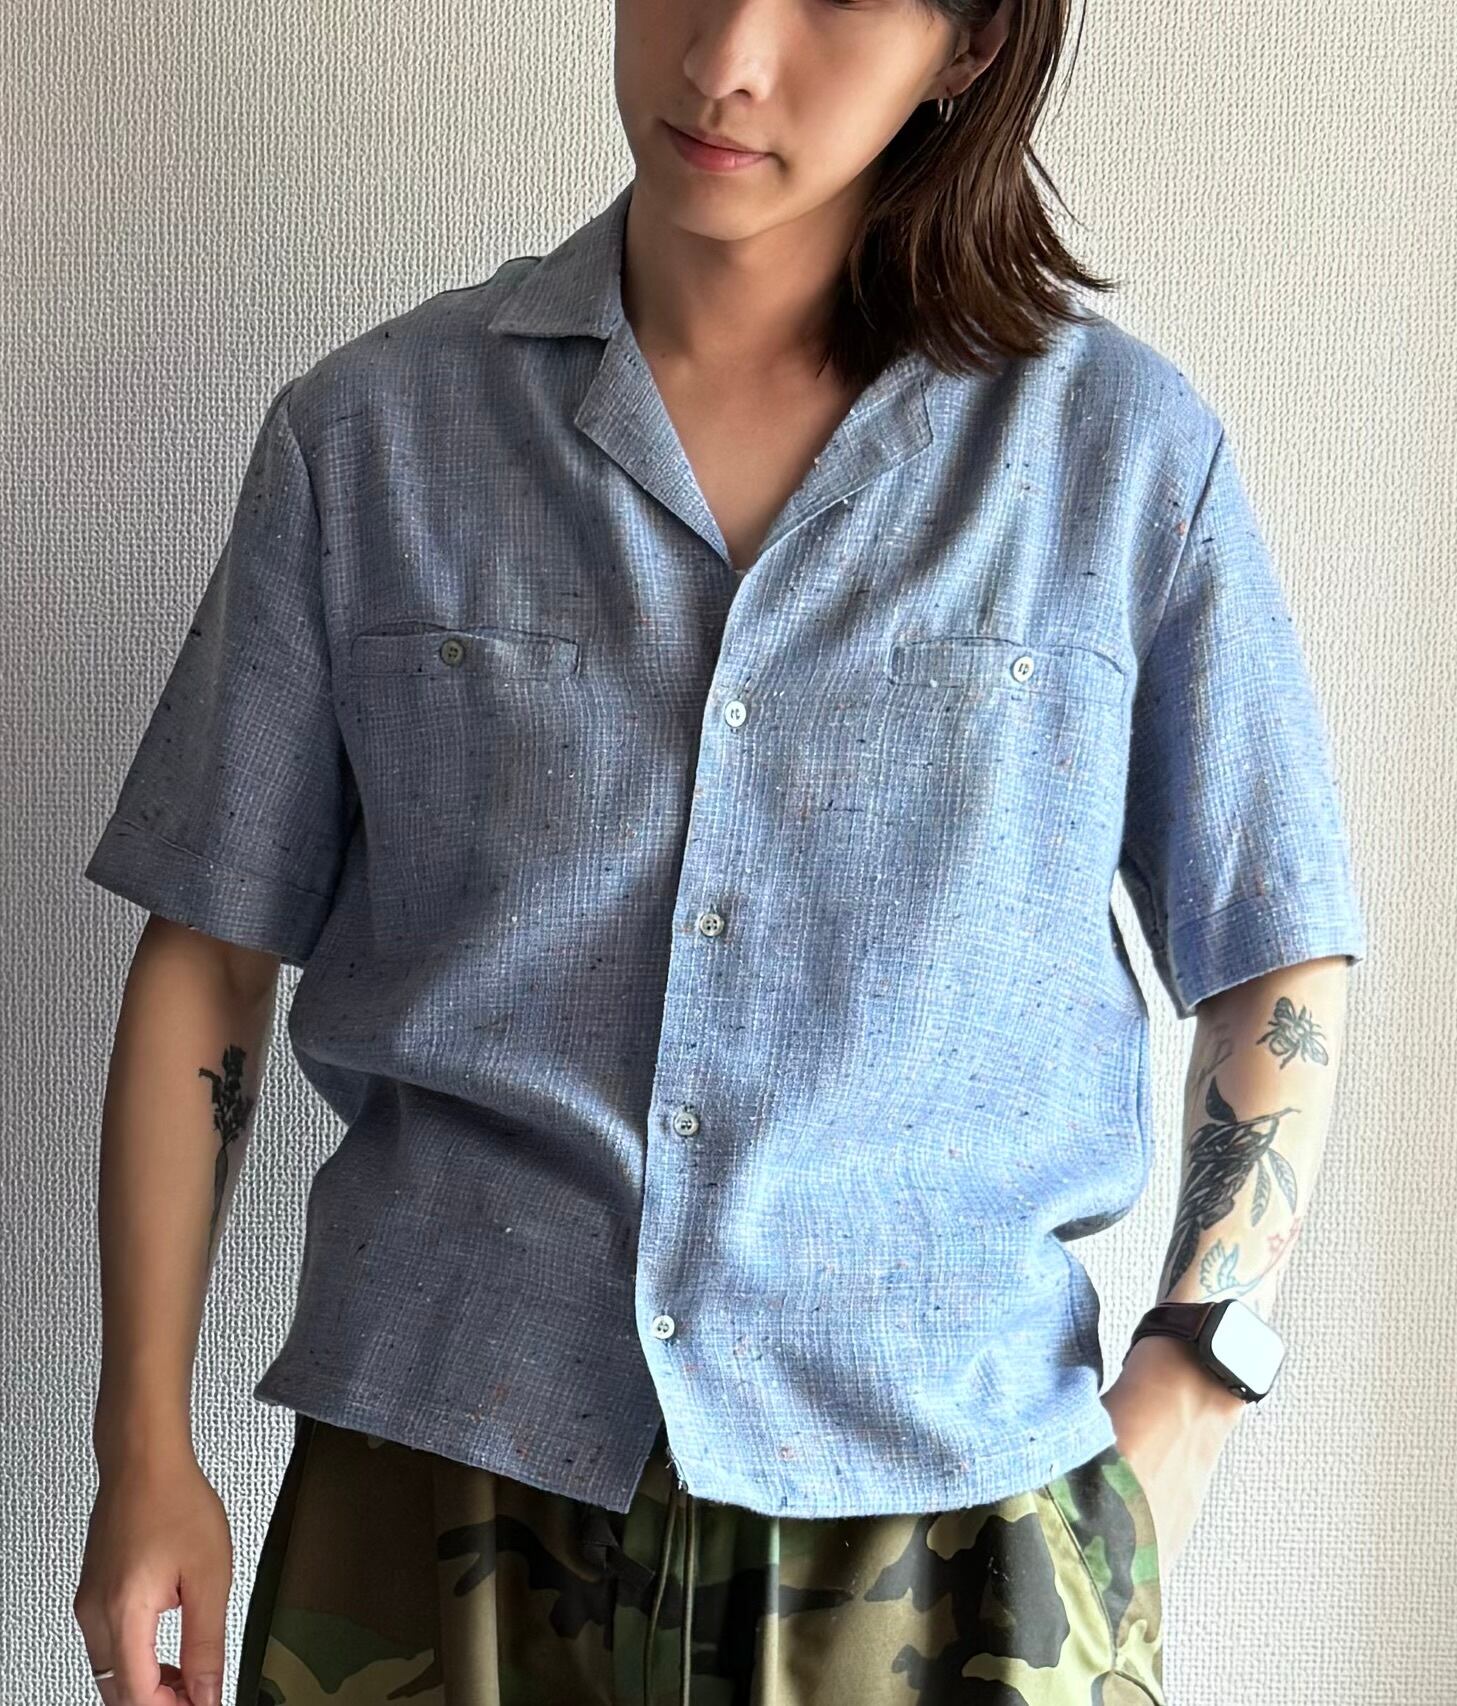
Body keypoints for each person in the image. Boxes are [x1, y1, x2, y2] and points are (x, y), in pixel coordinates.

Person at [73, 0, 1368, 1701]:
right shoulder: (372, 439)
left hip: (955, 1516)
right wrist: (141, 1442)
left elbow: (1274, 949)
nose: (725, 58)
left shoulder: (1118, 460)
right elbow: (212, 951)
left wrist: (1190, 1395)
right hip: (439, 1486)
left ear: (969, 44)